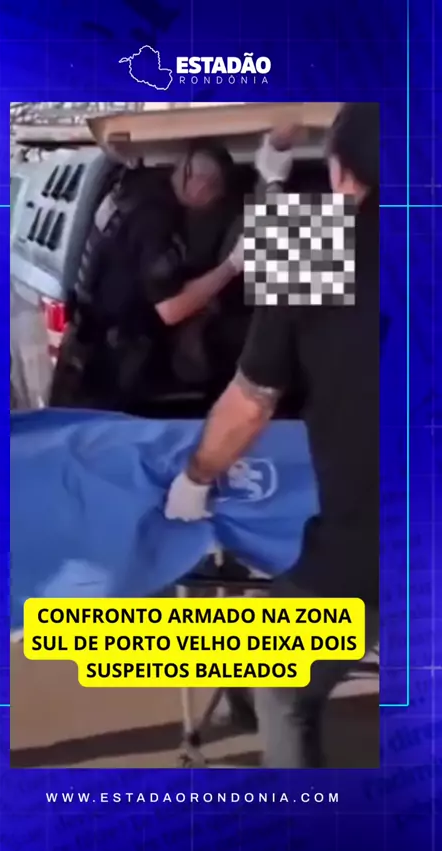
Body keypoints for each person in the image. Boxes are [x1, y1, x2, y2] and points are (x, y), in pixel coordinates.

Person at [164, 103, 380, 768]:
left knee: (284, 687)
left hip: (369, 544)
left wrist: (196, 477)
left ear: (340, 173)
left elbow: (252, 403)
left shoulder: (315, 243)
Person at [50, 141, 244, 411]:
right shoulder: (155, 218)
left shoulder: (136, 190)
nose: (212, 205)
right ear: (200, 184)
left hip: (94, 347)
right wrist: (233, 264)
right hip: (111, 363)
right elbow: (171, 309)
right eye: (215, 195)